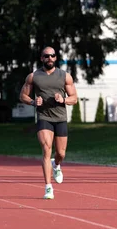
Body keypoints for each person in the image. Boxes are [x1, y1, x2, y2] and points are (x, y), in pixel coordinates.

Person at [20, 47, 78, 200]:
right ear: (41, 58)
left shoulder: (65, 76)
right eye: (46, 56)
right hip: (44, 117)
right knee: (46, 149)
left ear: (55, 57)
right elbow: (23, 96)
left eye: (52, 55)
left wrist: (64, 100)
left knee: (61, 153)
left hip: (60, 118)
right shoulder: (33, 76)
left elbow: (74, 98)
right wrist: (33, 101)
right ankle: (48, 188)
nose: (50, 58)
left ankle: (57, 165)